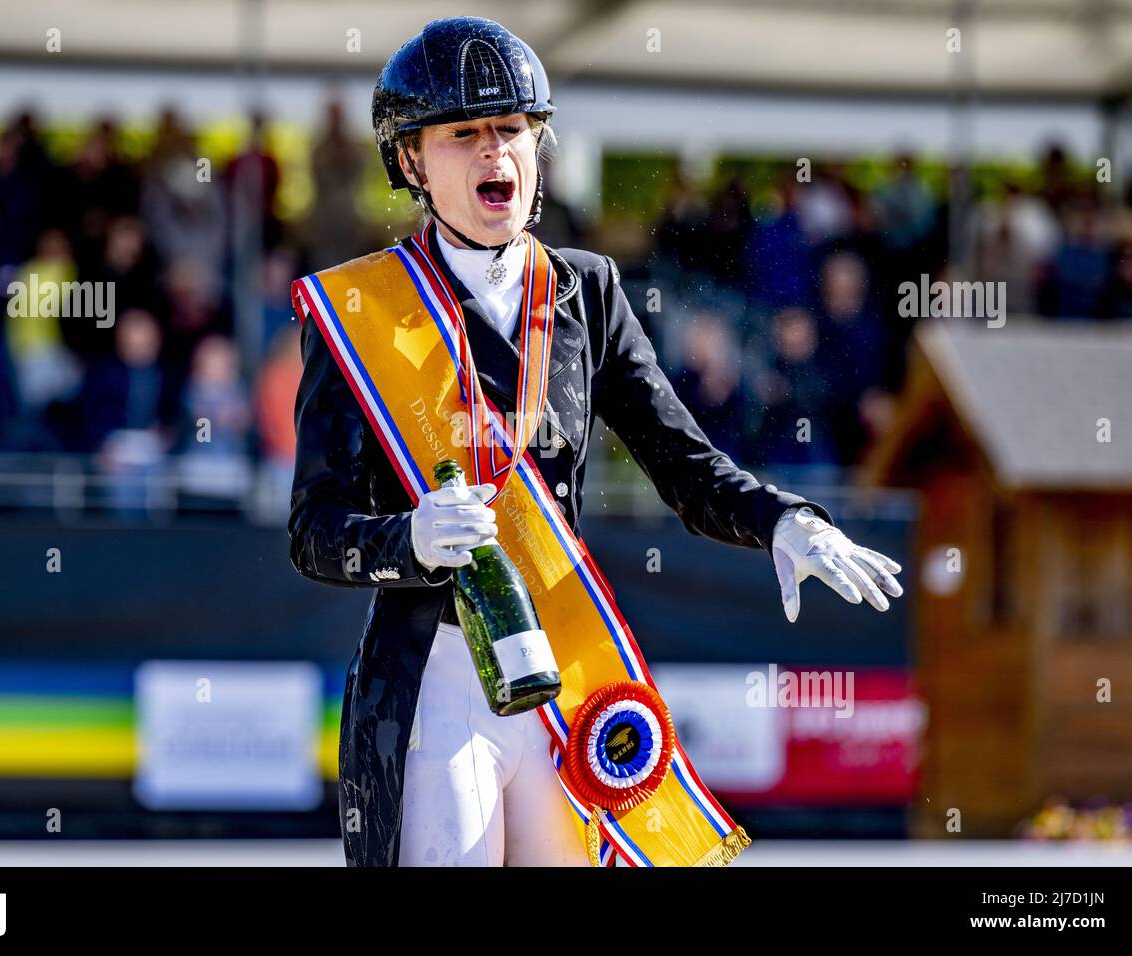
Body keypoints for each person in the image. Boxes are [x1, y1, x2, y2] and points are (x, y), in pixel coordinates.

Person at [288, 17, 903, 868]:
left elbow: (683, 462)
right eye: (463, 134)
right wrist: (409, 541)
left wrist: (786, 520)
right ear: (411, 163)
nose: (494, 151)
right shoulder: (356, 311)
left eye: (512, 129)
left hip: (564, 672)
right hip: (434, 678)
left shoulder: (588, 291)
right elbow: (314, 529)